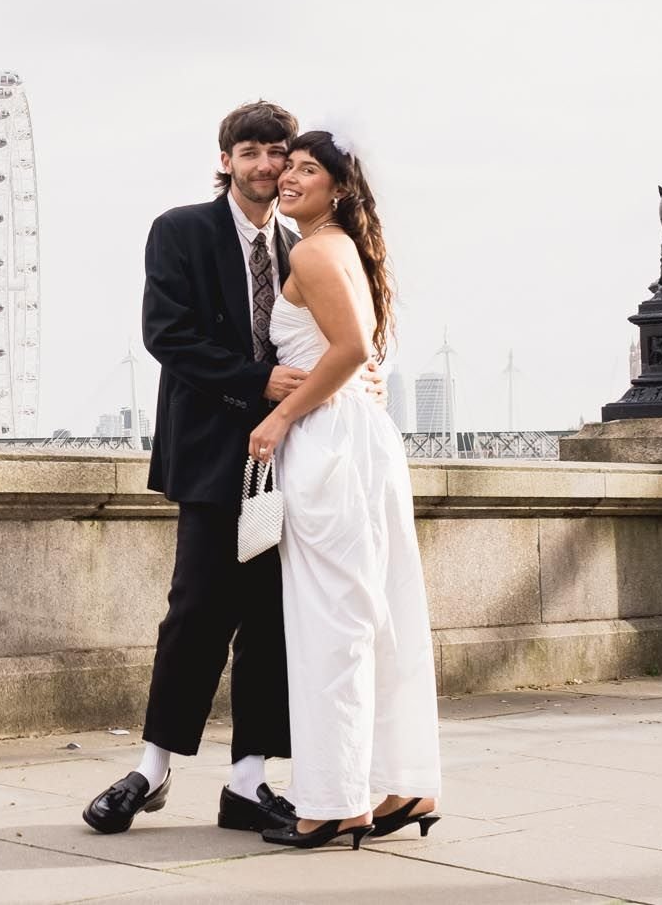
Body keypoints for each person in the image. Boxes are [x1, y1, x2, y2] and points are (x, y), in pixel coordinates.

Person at [85, 101, 343, 837]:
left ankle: (247, 780)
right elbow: (166, 334)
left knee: (270, 621)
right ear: (226, 160)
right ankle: (151, 768)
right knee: (195, 612)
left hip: (289, 455)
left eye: (277, 151)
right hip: (210, 452)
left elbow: (338, 337)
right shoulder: (180, 230)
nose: (265, 164)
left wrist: (358, 378)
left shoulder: (303, 245)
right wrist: (256, 381)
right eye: (249, 151)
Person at [246, 129, 441, 850]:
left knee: (331, 625)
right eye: (289, 166)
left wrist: (278, 418)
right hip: (360, 437)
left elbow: (352, 348)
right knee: (379, 614)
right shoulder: (342, 249)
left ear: (339, 188)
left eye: (308, 169)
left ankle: (333, 803)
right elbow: (358, 348)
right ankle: (403, 781)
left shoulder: (313, 251)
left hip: (328, 442)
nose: (289, 177)